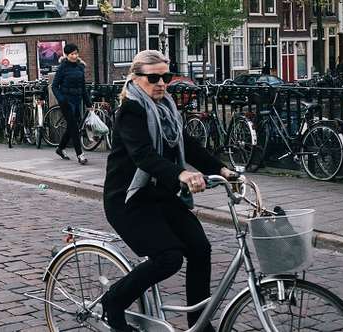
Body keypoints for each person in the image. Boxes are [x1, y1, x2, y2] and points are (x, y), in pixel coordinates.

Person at [99, 49, 237, 331]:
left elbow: (189, 145)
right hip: (129, 200)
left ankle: (198, 323)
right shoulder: (130, 111)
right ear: (136, 78)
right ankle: (113, 301)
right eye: (154, 78)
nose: (162, 83)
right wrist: (182, 173)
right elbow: (144, 156)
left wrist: (222, 170)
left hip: (161, 195)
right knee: (169, 257)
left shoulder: (167, 110)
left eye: (166, 76)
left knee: (200, 248)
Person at [51, 44, 91, 164]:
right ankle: (80, 154)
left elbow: (83, 87)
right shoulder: (62, 68)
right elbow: (54, 86)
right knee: (74, 127)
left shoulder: (80, 67)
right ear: (66, 55)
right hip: (66, 101)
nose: (75, 56)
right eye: (72, 54)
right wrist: (61, 99)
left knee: (72, 126)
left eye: (76, 53)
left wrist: (88, 103)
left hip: (77, 100)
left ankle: (60, 148)